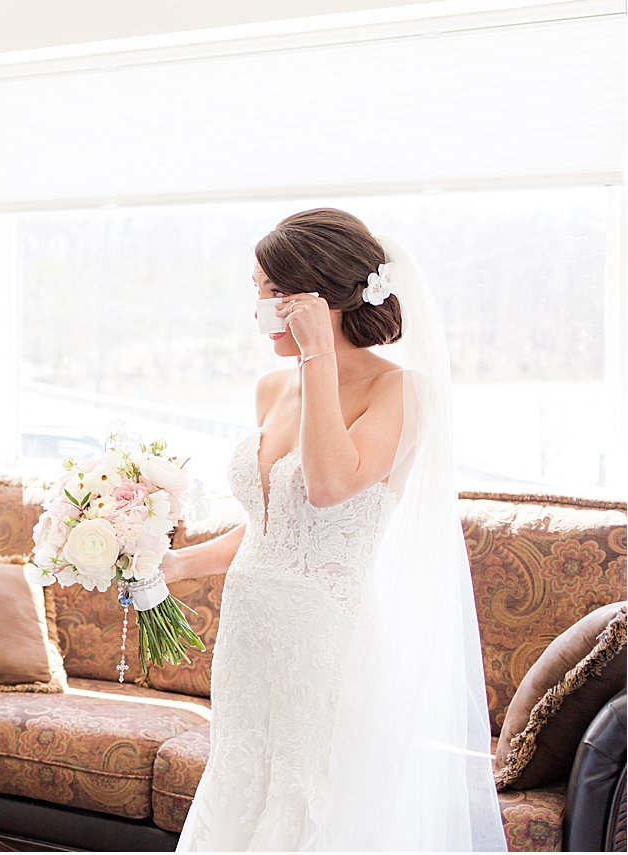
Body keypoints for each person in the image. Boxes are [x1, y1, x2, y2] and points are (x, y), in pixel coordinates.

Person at [161, 208, 504, 850]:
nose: (259, 307)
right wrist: (177, 566)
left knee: (309, 795)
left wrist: (320, 354)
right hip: (249, 636)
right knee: (240, 779)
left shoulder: (402, 391)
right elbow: (272, 528)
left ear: (318, 298)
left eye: (272, 291)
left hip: (327, 640)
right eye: (256, 290)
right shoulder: (270, 389)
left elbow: (326, 487)